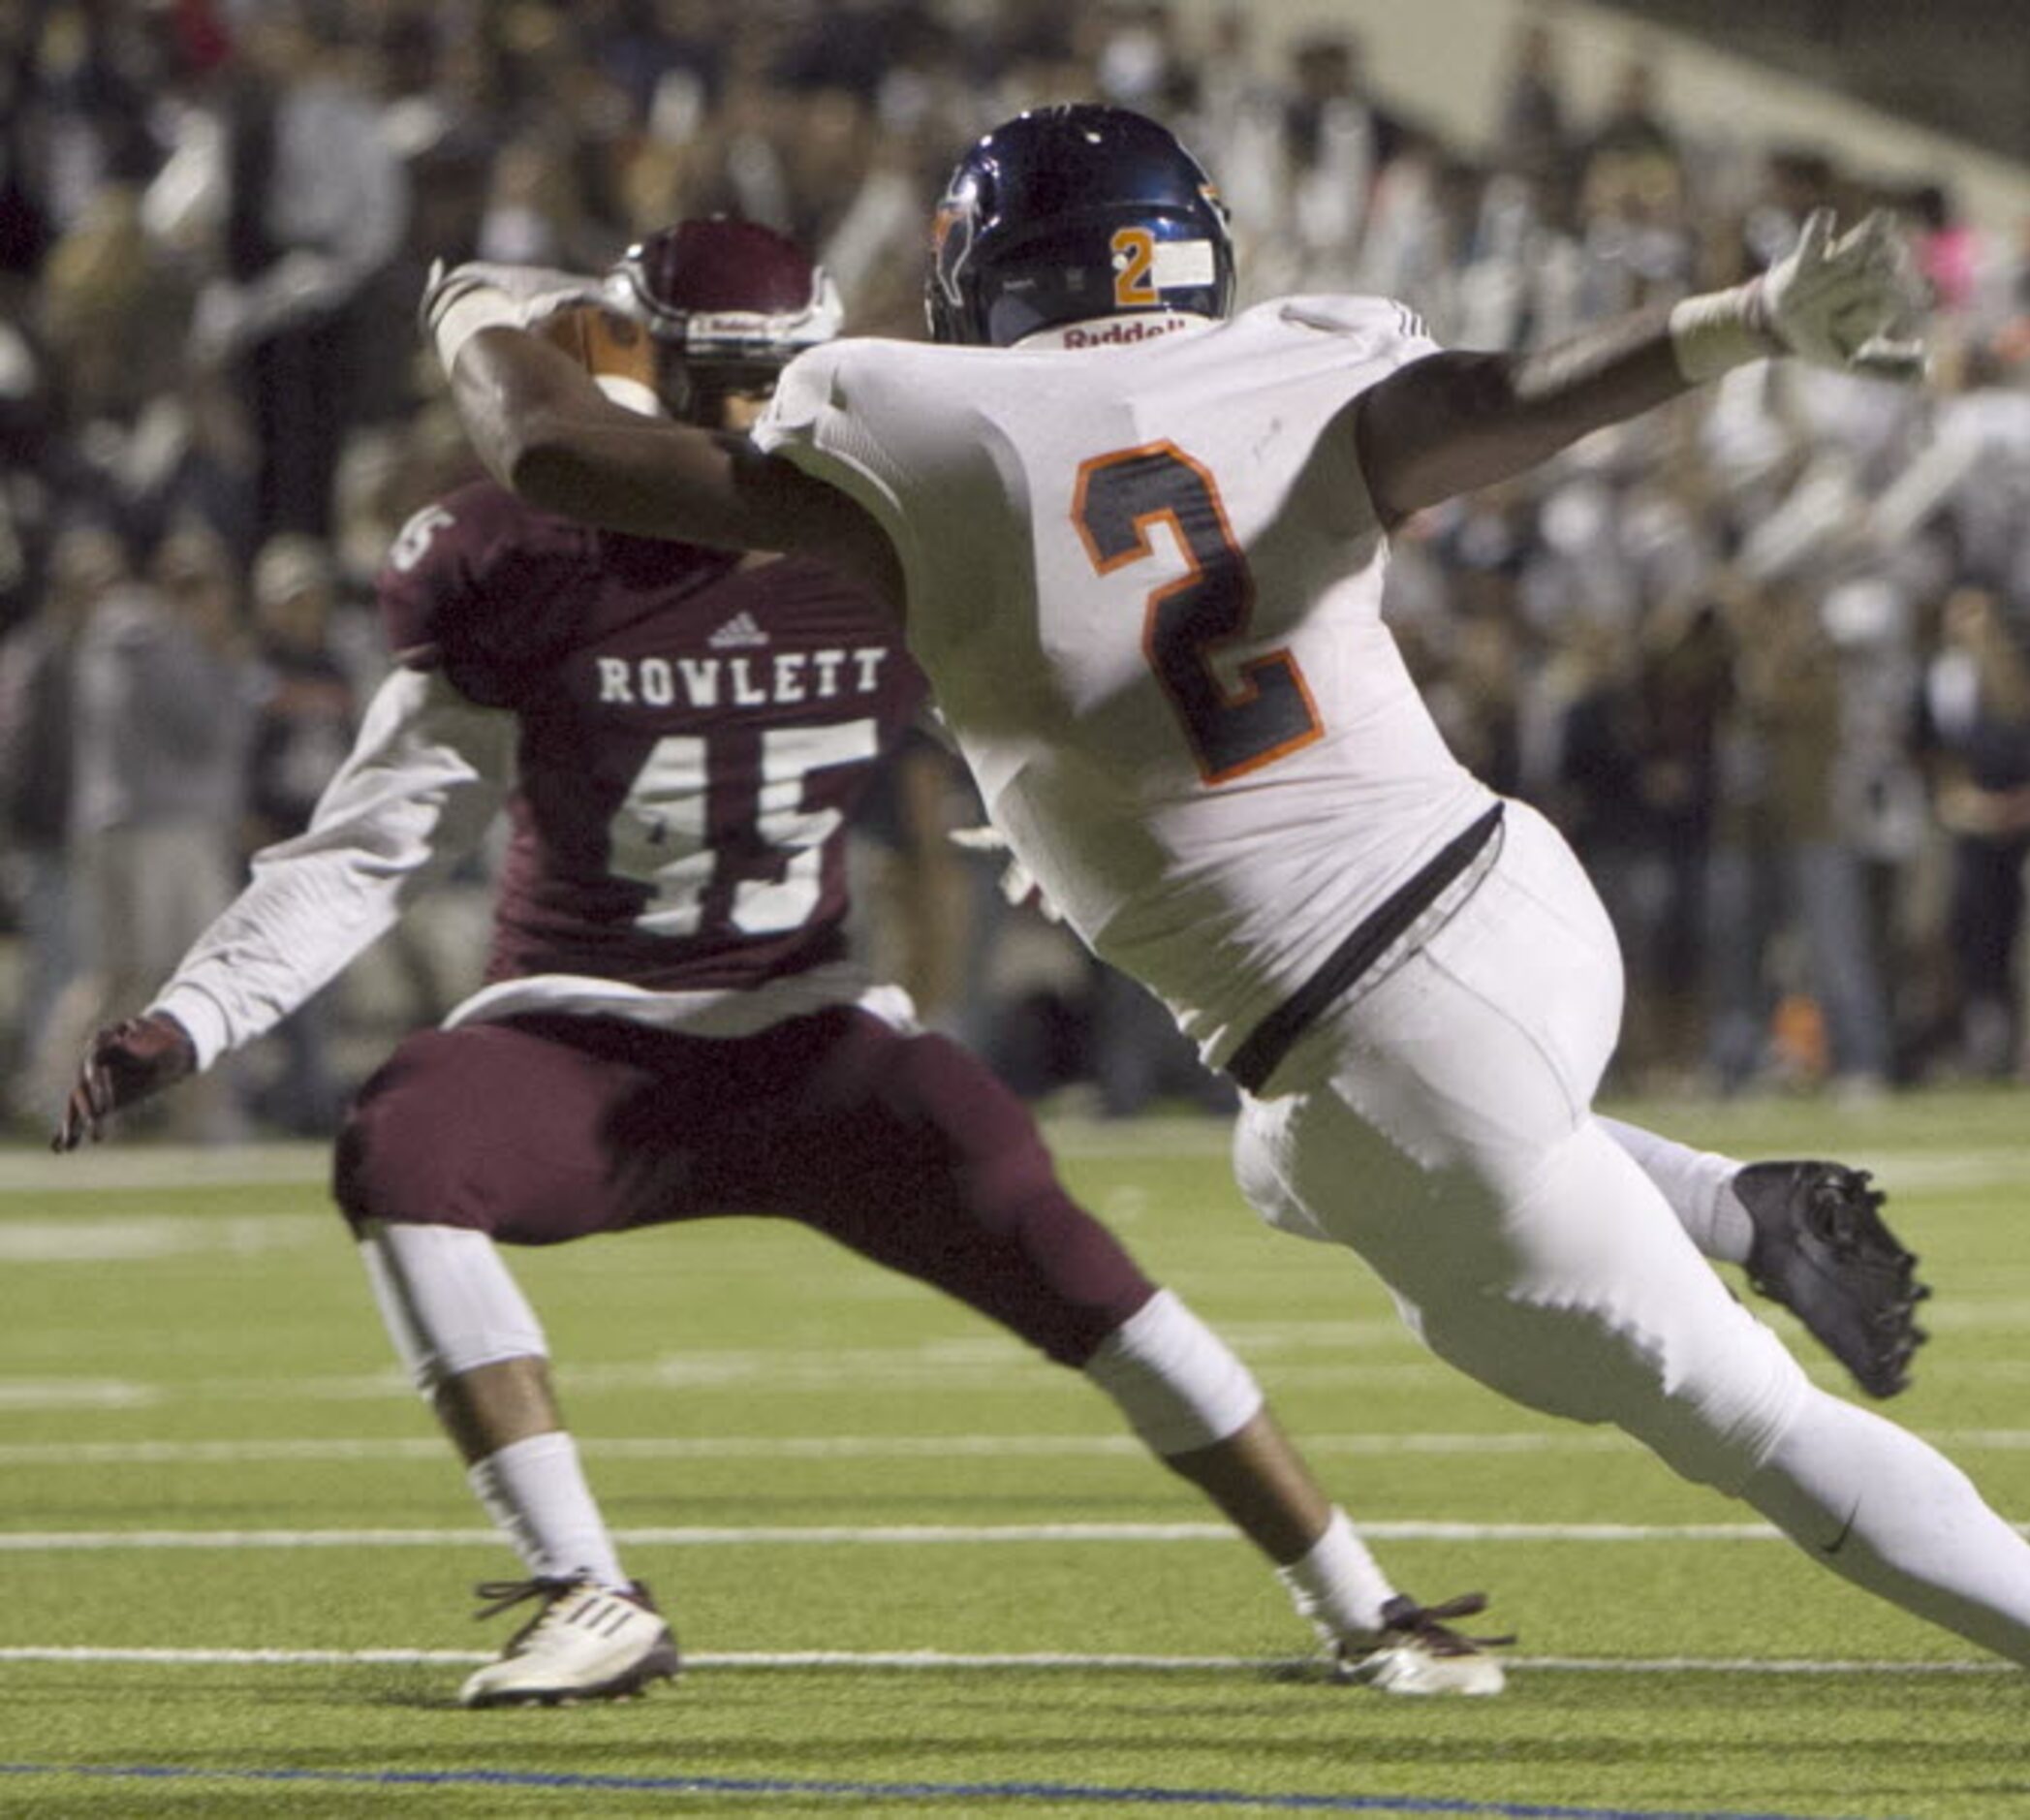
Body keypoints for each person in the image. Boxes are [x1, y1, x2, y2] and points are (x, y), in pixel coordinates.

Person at [409, 105, 2030, 1792]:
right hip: (1511, 896)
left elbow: (559, 452)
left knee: (1725, 1413)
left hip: (1372, 1028)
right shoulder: (1295, 355)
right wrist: (1737, 319)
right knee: (1276, 1166)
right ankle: (1728, 1202)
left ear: (991, 272)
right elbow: (1505, 398)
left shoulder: (910, 418)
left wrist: (480, 299)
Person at [54, 216, 1534, 1710]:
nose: (745, 423)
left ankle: (1365, 1600)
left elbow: (1071, 727)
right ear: (635, 364)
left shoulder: (908, 533)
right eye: (711, 378)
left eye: (773, 381)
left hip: (814, 1030)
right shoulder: (526, 560)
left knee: (1076, 1262)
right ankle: (588, 1589)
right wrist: (196, 1015)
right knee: (406, 1136)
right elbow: (373, 843)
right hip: (582, 1031)